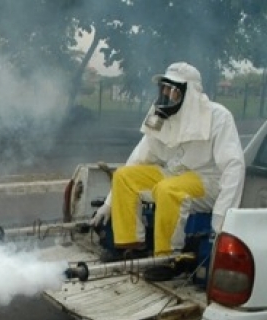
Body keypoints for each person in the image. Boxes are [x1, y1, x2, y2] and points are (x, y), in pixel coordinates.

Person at [91, 62, 245, 257]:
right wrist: (108, 204)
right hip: (173, 174)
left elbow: (234, 167)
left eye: (173, 89)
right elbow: (138, 158)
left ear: (190, 93)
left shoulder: (218, 117)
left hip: (208, 181)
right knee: (124, 176)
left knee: (168, 189)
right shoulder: (160, 115)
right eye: (165, 87)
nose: (166, 93)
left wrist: (221, 219)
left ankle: (168, 257)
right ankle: (130, 245)